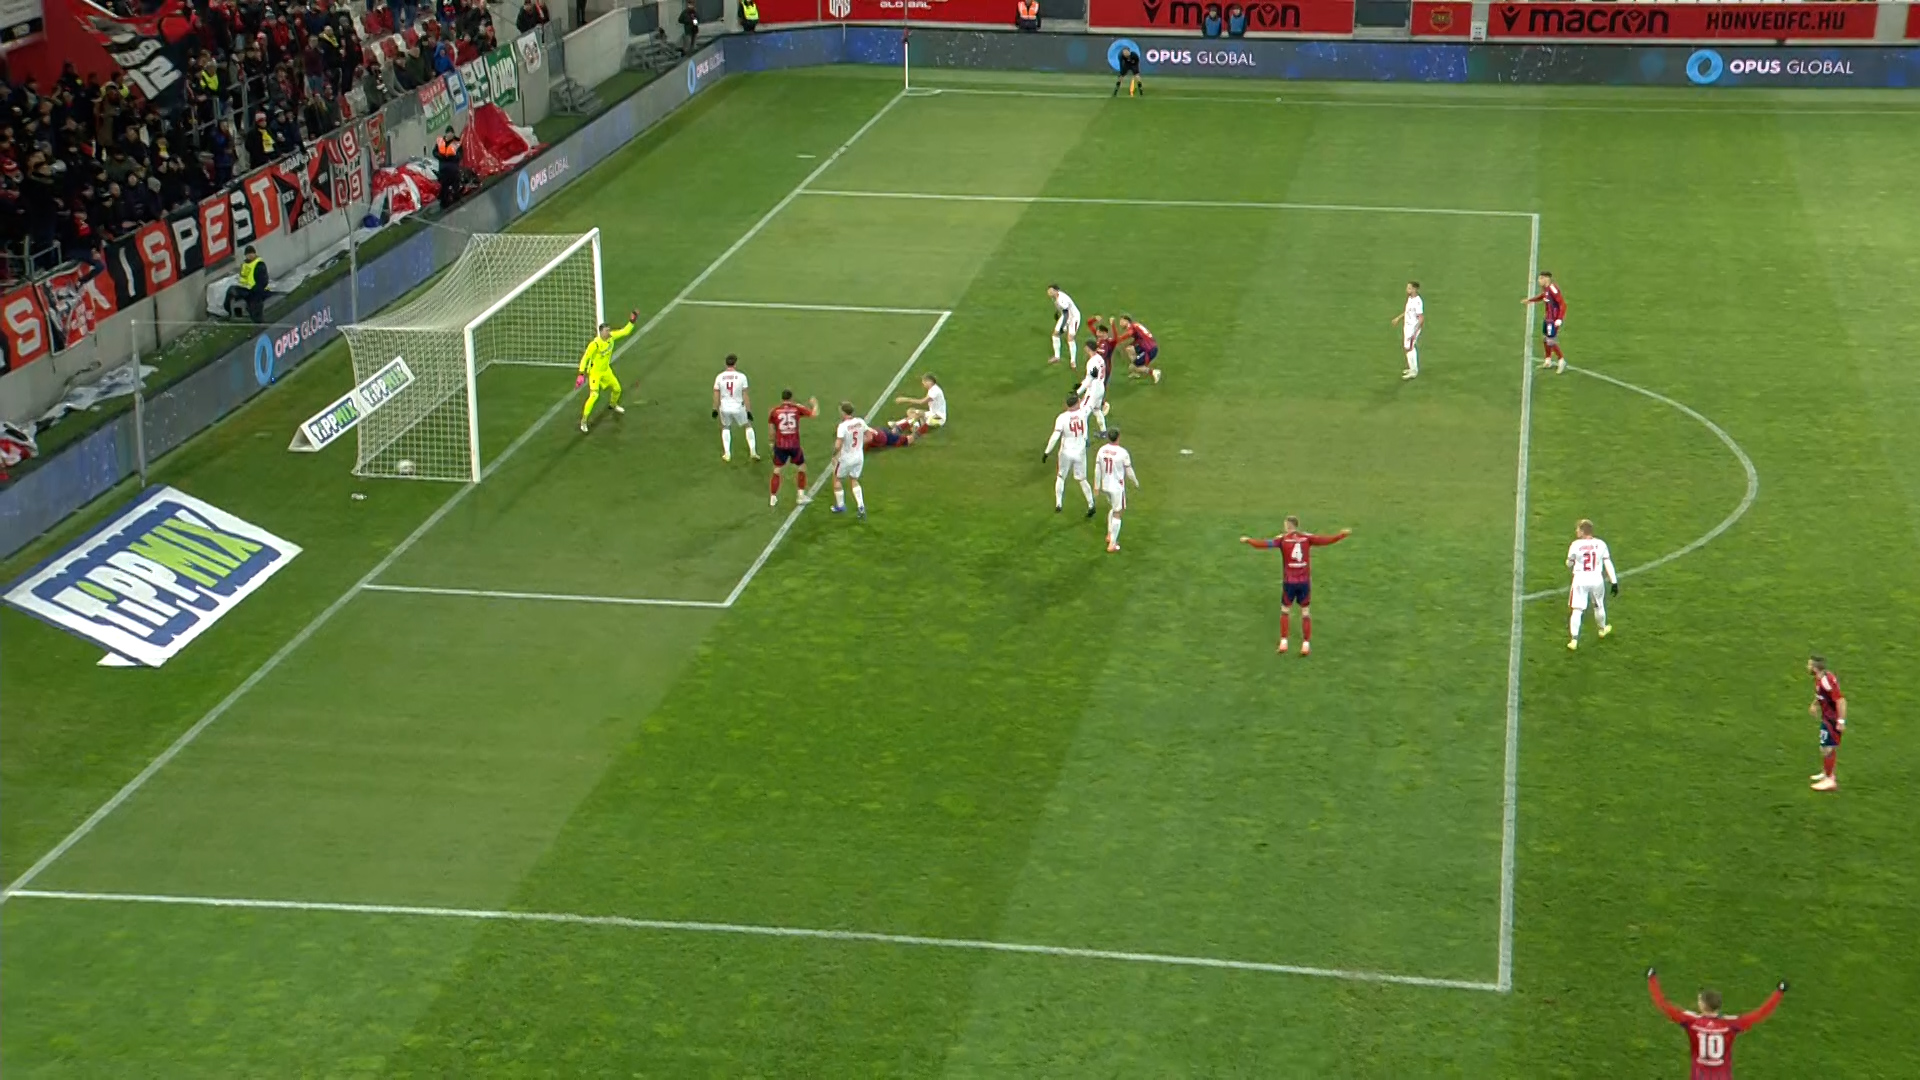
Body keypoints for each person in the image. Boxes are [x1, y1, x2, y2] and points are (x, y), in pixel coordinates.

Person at [1239, 516, 1351, 656]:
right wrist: (1341, 535)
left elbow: (1263, 544)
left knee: (1285, 610)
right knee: (1305, 612)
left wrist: (1248, 540)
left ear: (1287, 526)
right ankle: (1305, 645)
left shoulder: (1282, 539)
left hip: (1289, 582)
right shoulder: (1307, 538)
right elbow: (1325, 540)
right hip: (1304, 582)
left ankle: (1284, 642)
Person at [1646, 969, 1785, 1080]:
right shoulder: (1731, 1024)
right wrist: (1779, 992)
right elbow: (1760, 1014)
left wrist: (1652, 979)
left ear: (1703, 1006)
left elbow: (1663, 1005)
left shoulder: (1692, 1022)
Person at [574, 310, 638, 432]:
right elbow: (585, 358)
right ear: (601, 332)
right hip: (595, 373)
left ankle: (612, 405)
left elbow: (625, 331)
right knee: (594, 396)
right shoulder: (595, 345)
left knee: (617, 389)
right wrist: (581, 373)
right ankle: (584, 421)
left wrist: (632, 321)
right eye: (607, 331)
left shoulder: (611, 338)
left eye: (609, 330)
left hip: (606, 371)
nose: (609, 332)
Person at [1565, 518, 1617, 651]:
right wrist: (1614, 581)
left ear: (1583, 531)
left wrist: (1572, 563)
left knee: (1577, 610)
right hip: (1596, 579)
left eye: (1578, 529)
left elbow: (1569, 563)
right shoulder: (1601, 544)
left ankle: (1574, 640)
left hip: (1580, 579)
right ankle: (1602, 629)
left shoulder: (1575, 545)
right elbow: (1607, 563)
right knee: (1598, 605)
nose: (1576, 531)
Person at [1042, 390, 1095, 516]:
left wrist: (1047, 452)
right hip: (1080, 452)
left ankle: (1058, 503)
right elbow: (1090, 403)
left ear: (1066, 404)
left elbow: (1055, 436)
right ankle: (1091, 504)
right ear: (1077, 403)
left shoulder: (1062, 418)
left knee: (1061, 476)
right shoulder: (1083, 413)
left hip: (1066, 452)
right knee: (1082, 479)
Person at [767, 389, 818, 506]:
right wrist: (814, 404)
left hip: (780, 445)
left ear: (782, 398)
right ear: (791, 398)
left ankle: (773, 497)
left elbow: (771, 430)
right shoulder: (796, 408)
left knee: (777, 470)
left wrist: (771, 442)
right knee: (801, 467)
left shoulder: (774, 411)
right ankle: (800, 496)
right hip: (794, 445)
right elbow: (813, 414)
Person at [1093, 428, 1138, 553]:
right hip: (1117, 487)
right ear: (1118, 437)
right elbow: (1129, 471)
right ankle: (1112, 544)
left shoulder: (1101, 450)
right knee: (1118, 512)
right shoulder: (1122, 452)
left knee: (1113, 508)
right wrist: (1135, 481)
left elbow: (1097, 469)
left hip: (1105, 485)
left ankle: (1109, 534)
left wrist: (1096, 486)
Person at [1807, 654, 1846, 792]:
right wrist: (1815, 704)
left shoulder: (1826, 681)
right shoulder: (1821, 678)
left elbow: (1841, 700)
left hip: (1832, 719)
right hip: (1827, 718)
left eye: (1809, 665)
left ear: (1815, 668)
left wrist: (1841, 721)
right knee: (1824, 747)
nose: (1807, 667)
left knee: (1827, 748)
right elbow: (1822, 694)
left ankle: (1829, 780)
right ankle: (1827, 773)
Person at [712, 353, 757, 462]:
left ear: (726, 364)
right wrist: (748, 411)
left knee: (725, 427)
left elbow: (716, 394)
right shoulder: (741, 377)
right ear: (735, 364)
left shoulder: (719, 377)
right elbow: (745, 395)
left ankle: (727, 454)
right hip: (738, 407)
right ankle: (753, 452)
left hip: (725, 408)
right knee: (747, 426)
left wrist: (715, 409)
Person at [830, 401, 868, 519]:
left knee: (837, 478)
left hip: (846, 458)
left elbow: (838, 445)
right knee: (854, 480)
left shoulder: (842, 426)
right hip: (859, 456)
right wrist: (859, 445)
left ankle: (840, 505)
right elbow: (870, 436)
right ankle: (861, 506)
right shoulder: (860, 421)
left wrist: (834, 455)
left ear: (843, 412)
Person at [1525, 270, 1568, 374]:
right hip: (1548, 318)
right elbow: (1543, 296)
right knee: (1545, 339)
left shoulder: (1553, 289)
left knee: (1550, 340)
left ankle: (1561, 360)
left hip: (1553, 320)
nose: (1539, 281)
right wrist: (1531, 300)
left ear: (1546, 279)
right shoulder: (1546, 288)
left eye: (1541, 278)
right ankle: (1548, 361)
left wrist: (1559, 319)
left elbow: (1562, 304)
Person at [1078, 320, 1114, 432]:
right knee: (1097, 410)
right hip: (1101, 387)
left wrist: (1077, 392)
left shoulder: (1092, 362)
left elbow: (1089, 380)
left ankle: (1084, 438)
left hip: (1093, 390)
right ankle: (1103, 432)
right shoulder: (1100, 359)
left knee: (1083, 413)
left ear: (1088, 348)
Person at [1390, 280, 1423, 381]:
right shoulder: (1410, 298)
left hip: (1413, 328)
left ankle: (1414, 371)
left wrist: (1415, 330)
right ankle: (1411, 368)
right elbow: (1408, 311)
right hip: (1407, 327)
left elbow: (1421, 318)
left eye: (1409, 288)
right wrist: (1398, 318)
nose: (1407, 290)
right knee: (1407, 347)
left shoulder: (1418, 302)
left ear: (1414, 289)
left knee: (1410, 348)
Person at [1117, 314, 1162, 383]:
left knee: (1133, 367)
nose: (1120, 324)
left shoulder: (1132, 327)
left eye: (1122, 321)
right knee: (1129, 349)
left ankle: (1154, 372)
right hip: (1148, 345)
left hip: (1149, 350)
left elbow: (1129, 334)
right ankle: (1136, 370)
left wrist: (1118, 339)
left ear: (1127, 321)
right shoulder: (1135, 325)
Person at [1046, 283, 1081, 368]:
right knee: (1055, 334)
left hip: (1073, 317)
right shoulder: (1055, 297)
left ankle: (1073, 361)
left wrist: (1063, 327)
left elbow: (1067, 314)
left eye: (1051, 291)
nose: (1049, 292)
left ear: (1056, 291)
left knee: (1070, 338)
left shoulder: (1063, 299)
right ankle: (1057, 357)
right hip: (1066, 315)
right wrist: (1057, 314)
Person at [433, 125, 462, 210]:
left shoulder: (457, 142)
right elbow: (434, 152)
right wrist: (440, 156)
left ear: (453, 134)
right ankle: (444, 203)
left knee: (455, 185)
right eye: (448, 133)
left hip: (453, 168)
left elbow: (460, 155)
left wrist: (452, 157)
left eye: (451, 133)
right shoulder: (441, 142)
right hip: (443, 169)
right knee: (444, 187)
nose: (449, 135)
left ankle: (456, 201)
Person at [237, 246, 269, 322]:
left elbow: (263, 281)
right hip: (246, 288)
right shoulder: (244, 264)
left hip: (257, 289)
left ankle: (259, 320)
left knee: (255, 302)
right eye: (248, 254)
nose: (250, 256)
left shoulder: (259, 264)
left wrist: (254, 289)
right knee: (232, 291)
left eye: (251, 253)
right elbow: (242, 277)